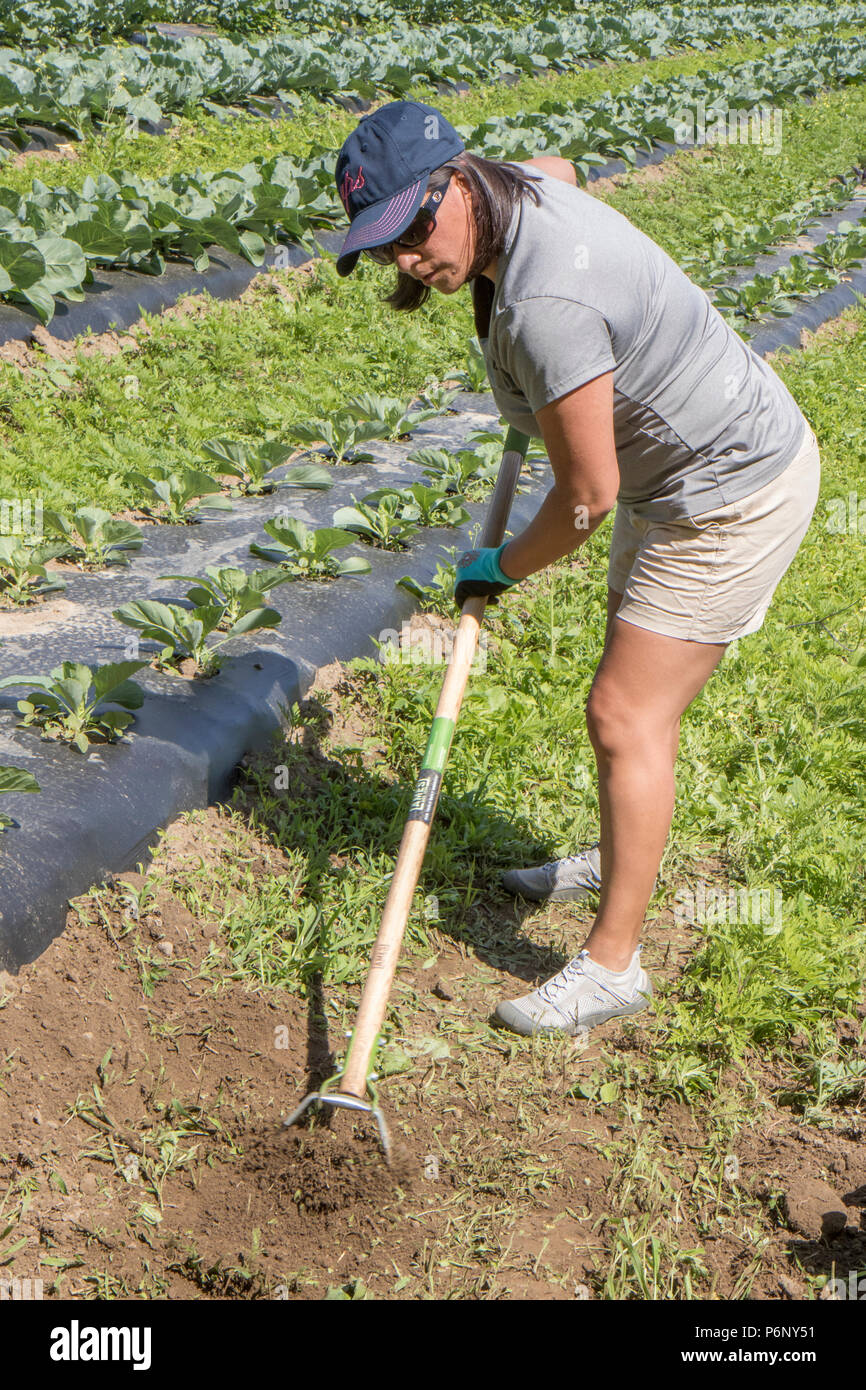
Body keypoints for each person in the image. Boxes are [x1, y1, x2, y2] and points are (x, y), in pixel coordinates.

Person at [333, 99, 821, 1038]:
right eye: (385, 246)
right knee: (624, 698)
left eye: (415, 229)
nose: (407, 260)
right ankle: (618, 851)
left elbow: (585, 497)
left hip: (729, 490)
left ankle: (613, 965)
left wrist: (499, 567)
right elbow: (558, 163)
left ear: (457, 181)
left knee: (625, 711)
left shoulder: (546, 307)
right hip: (674, 468)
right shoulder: (515, 190)